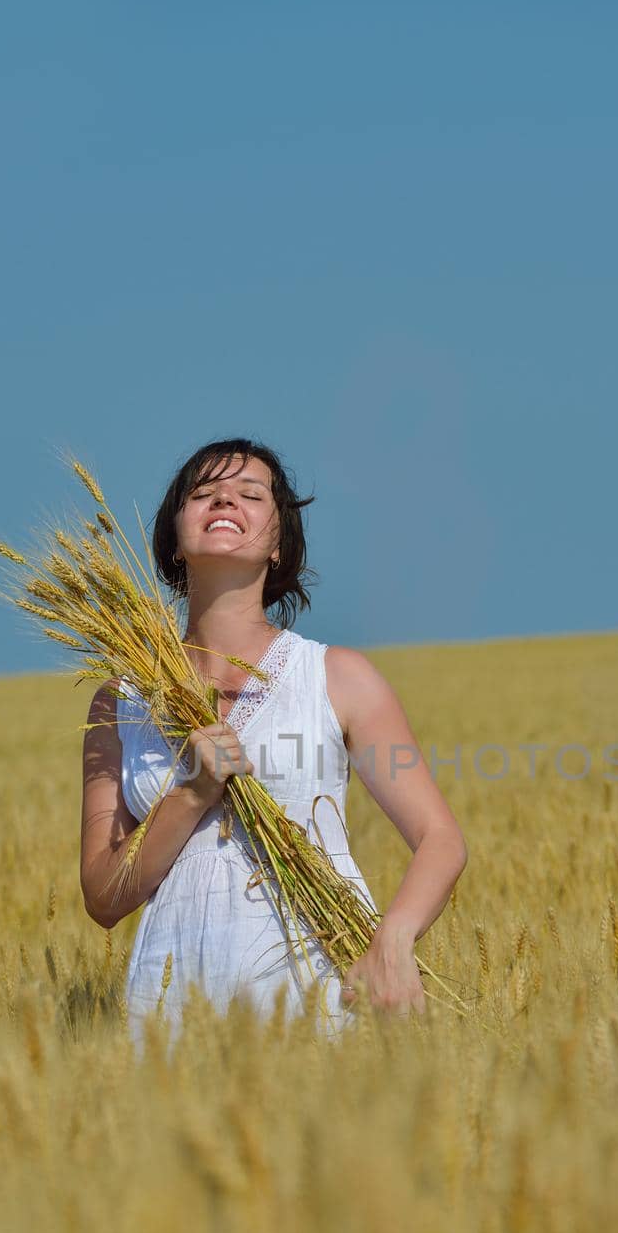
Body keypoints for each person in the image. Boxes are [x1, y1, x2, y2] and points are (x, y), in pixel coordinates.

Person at [79, 437, 468, 1053]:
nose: (225, 497)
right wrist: (193, 793)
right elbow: (103, 895)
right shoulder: (121, 700)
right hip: (173, 1000)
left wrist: (392, 942)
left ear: (278, 541)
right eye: (202, 493)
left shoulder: (335, 676)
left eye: (250, 493)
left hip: (320, 985)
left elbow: (440, 840)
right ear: (175, 539)